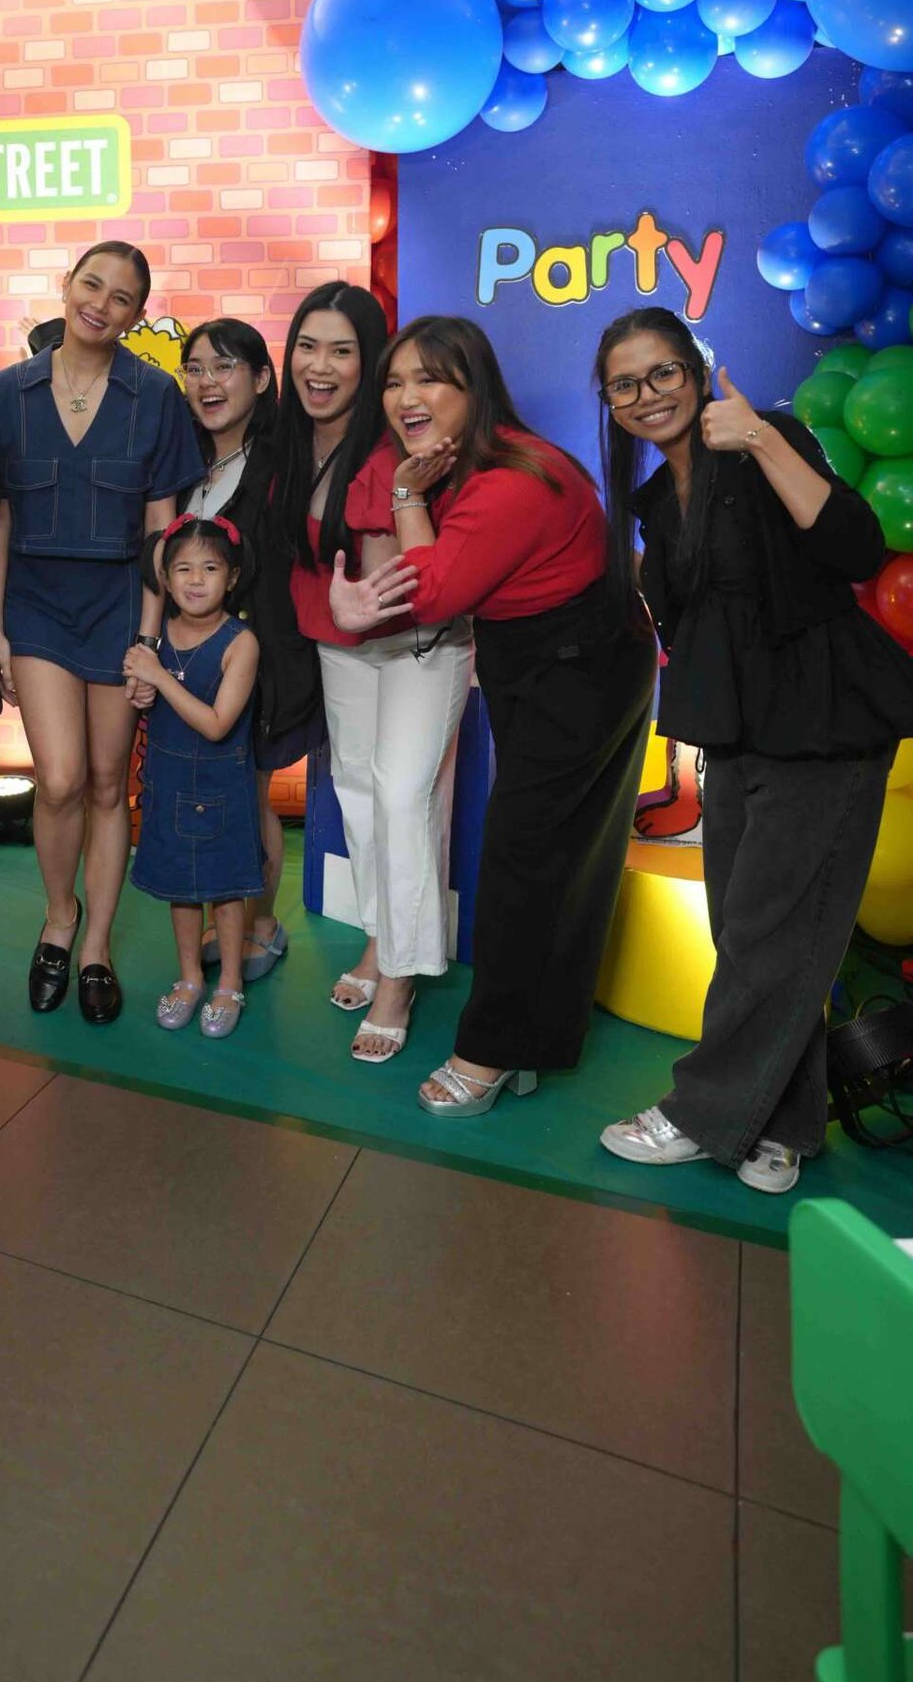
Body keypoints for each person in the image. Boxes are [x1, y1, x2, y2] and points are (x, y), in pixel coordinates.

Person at [592, 311, 913, 1193]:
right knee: (755, 936)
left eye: (662, 372)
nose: (647, 395)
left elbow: (854, 547)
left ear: (696, 371)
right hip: (739, 736)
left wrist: (763, 441)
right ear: (611, 404)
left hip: (825, 725)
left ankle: (701, 1114)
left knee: (771, 938)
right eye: (625, 385)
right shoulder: (657, 503)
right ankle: (783, 1128)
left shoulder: (764, 438)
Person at [332, 315, 655, 1115]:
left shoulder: (509, 478)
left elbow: (432, 595)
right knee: (549, 860)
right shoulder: (483, 463)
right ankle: (533, 1043)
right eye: (394, 381)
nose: (405, 396)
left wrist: (406, 494)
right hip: (553, 665)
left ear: (473, 389)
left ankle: (491, 1051)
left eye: (428, 378)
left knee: (523, 862)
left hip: (577, 672)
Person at [0, 241, 203, 1024]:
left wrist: (149, 639)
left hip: (119, 606)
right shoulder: (9, 391)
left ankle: (97, 946)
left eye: (121, 297)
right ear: (66, 285)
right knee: (61, 778)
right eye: (91, 285)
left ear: (137, 314)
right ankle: (59, 918)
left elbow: (161, 528)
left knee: (111, 783)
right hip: (37, 608)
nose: (101, 304)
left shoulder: (157, 395)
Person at [273, 283, 473, 1066]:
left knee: (400, 794)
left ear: (372, 363)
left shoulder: (397, 447)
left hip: (421, 643)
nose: (320, 367)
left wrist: (362, 598)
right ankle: (380, 938)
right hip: (340, 642)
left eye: (342, 351)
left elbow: (412, 574)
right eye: (307, 346)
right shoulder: (290, 441)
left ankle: (400, 977)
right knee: (355, 788)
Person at [179, 318, 322, 984]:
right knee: (211, 794)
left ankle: (261, 922)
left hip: (260, 659)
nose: (208, 382)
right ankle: (227, 917)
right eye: (196, 368)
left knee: (249, 793)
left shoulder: (282, 462)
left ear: (262, 379)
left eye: (225, 366)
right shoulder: (185, 460)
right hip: (192, 661)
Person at [125, 515, 264, 1036]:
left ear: (232, 577)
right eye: (183, 569)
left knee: (225, 889)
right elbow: (141, 696)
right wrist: (141, 688)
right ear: (165, 577)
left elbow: (217, 723)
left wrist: (157, 676)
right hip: (167, 782)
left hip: (220, 789)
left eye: (210, 568)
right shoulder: (157, 635)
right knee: (178, 887)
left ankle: (229, 982)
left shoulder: (240, 642)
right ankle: (189, 977)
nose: (196, 580)